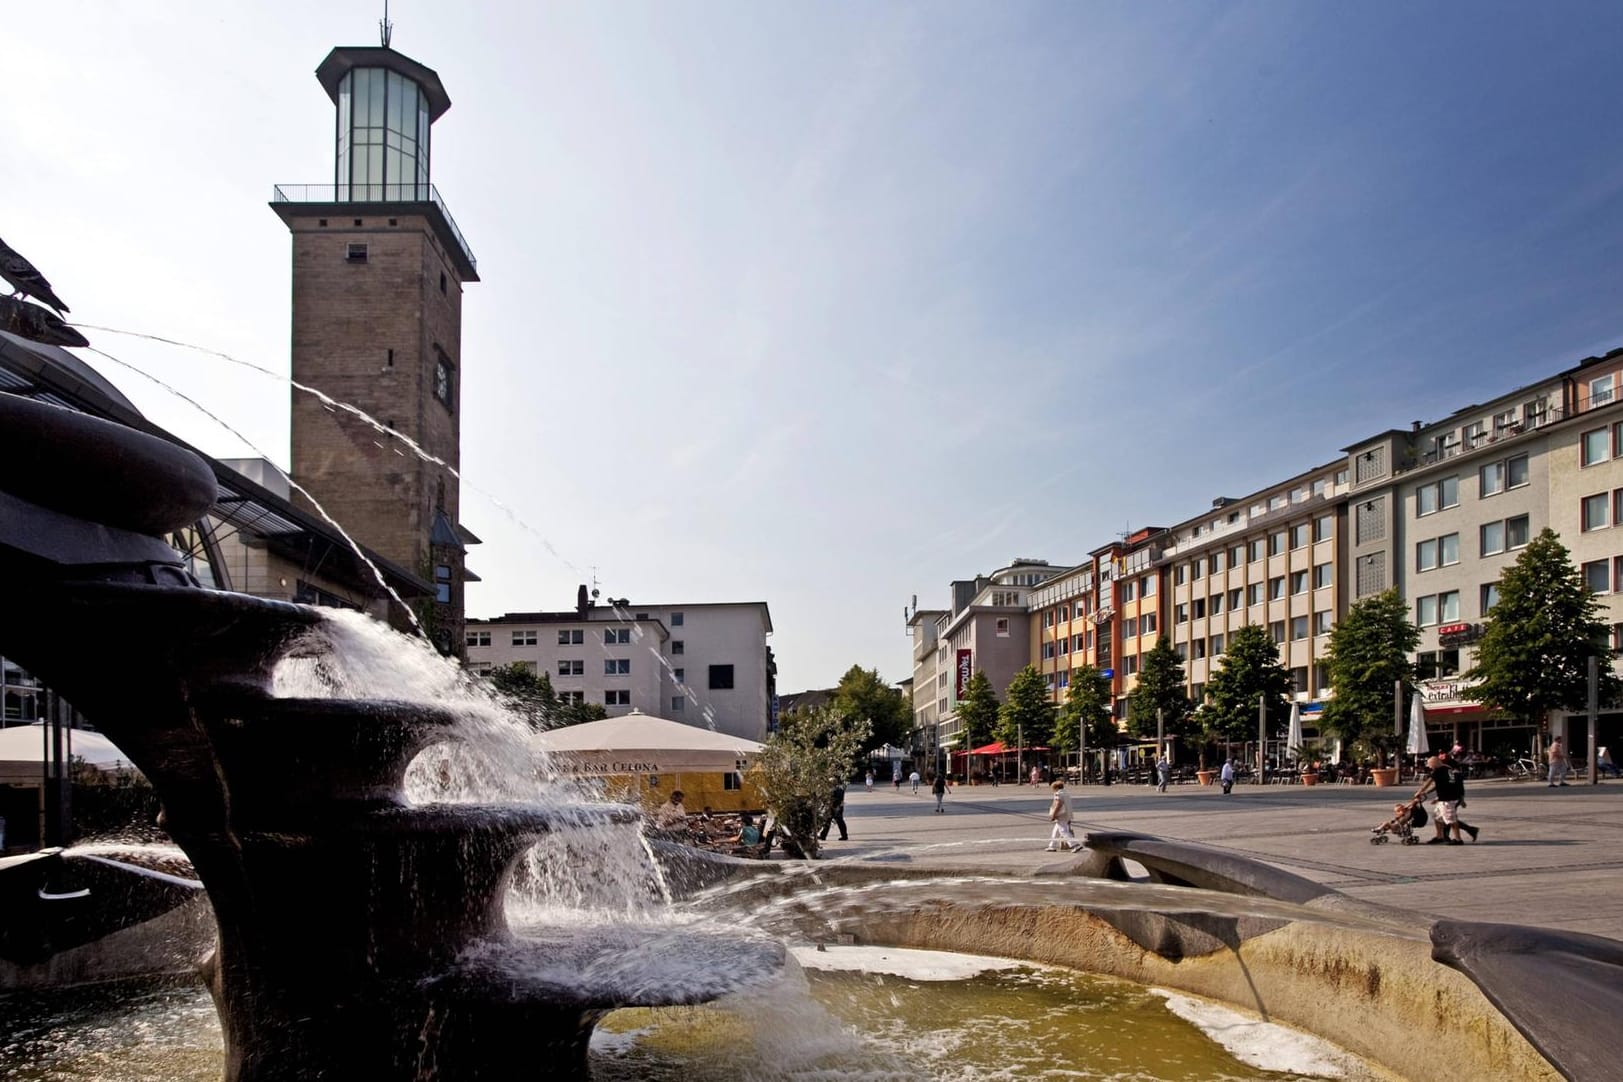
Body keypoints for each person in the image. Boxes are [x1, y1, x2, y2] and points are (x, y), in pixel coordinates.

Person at [1413, 754, 1479, 844]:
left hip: (1448, 800)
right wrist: (1429, 794)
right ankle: (1440, 836)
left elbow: (1429, 782)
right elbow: (1444, 784)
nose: (1430, 768)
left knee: (1451, 820)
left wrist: (1420, 791)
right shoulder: (1449, 770)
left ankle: (1458, 839)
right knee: (1437, 817)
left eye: (1430, 765)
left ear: (1435, 763)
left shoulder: (1438, 771)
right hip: (1445, 798)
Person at [1045, 780, 1081, 852]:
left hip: (1061, 815)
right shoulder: (1066, 793)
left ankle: (1074, 845)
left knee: (1063, 831)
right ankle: (1052, 846)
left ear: (1056, 788)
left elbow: (1058, 805)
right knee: (1056, 831)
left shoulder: (1058, 794)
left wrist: (1054, 815)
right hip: (1067, 814)